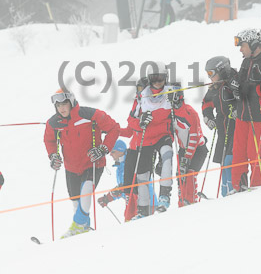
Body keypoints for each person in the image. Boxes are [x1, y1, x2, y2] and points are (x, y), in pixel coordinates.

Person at [43, 89, 119, 238]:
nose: (62, 108)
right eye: (58, 106)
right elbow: (49, 140)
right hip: (71, 167)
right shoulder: (53, 123)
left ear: (71, 102)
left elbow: (114, 128)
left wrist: (103, 149)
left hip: (93, 163)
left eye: (64, 104)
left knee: (86, 192)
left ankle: (77, 225)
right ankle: (83, 230)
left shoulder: (89, 114)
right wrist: (53, 156)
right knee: (75, 200)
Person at [121, 62, 175, 219]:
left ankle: (165, 196)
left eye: (161, 78)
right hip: (146, 138)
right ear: (149, 79)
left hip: (163, 135)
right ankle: (143, 210)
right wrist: (141, 122)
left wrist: (176, 102)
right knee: (142, 174)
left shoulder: (171, 92)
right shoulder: (141, 97)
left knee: (167, 155)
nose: (158, 82)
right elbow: (131, 121)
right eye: (154, 78)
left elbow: (180, 110)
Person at [228, 28, 261, 191]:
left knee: (254, 152)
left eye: (242, 45)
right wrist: (234, 84)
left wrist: (244, 87)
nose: (240, 49)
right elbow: (240, 82)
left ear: (253, 44)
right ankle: (238, 187)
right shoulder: (246, 61)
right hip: (244, 113)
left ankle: (260, 187)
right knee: (238, 152)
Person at [202, 56, 238, 196]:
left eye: (211, 73)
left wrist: (237, 110)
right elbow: (206, 104)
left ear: (222, 70)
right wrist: (208, 118)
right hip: (222, 126)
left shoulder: (234, 81)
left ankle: (234, 188)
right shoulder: (214, 88)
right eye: (208, 74)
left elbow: (243, 96)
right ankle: (225, 192)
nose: (210, 77)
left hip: (235, 125)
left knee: (230, 159)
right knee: (223, 161)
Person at [97, 140, 158, 221]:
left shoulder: (130, 163)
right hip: (132, 203)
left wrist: (109, 196)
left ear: (121, 151)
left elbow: (125, 187)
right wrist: (107, 199)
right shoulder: (120, 167)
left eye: (113, 151)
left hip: (145, 202)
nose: (110, 154)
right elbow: (123, 190)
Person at [170, 82, 208, 206]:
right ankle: (182, 202)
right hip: (183, 149)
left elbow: (194, 137)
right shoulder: (170, 113)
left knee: (190, 173)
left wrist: (187, 157)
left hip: (198, 149)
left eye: (170, 95)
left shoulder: (189, 112)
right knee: (180, 175)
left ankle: (191, 201)